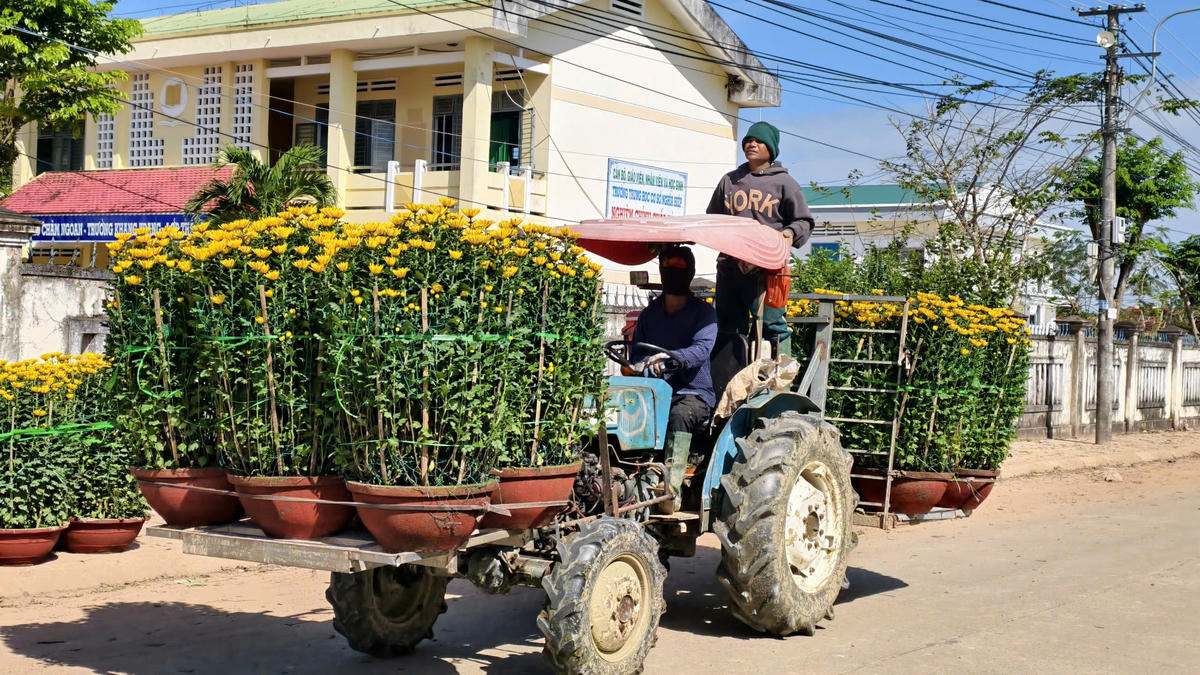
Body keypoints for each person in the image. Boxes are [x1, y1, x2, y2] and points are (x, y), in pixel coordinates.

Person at [706, 120, 814, 357]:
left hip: (769, 270)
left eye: (758, 141)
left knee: (772, 326)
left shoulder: (784, 183)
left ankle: (780, 374)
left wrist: (788, 234)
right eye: (748, 141)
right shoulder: (729, 181)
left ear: (771, 148)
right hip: (730, 267)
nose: (751, 144)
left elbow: (804, 221)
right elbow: (713, 219)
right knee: (728, 326)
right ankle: (730, 374)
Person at [628, 246, 716, 511]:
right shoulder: (650, 313)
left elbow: (701, 350)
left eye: (678, 268)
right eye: (668, 267)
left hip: (692, 393)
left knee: (679, 414)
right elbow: (637, 353)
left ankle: (671, 493)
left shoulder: (704, 314)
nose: (672, 273)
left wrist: (669, 359)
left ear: (689, 272)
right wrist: (642, 365)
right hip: (655, 391)